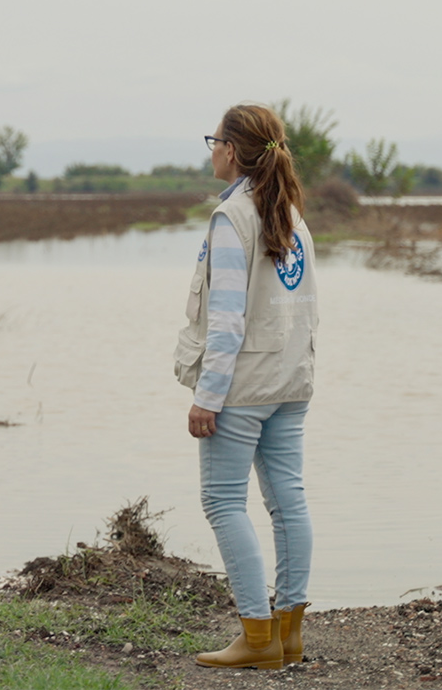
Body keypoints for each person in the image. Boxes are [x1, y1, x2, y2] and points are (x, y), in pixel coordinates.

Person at [173, 103, 318, 670]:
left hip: (244, 387)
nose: (210, 150)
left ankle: (258, 639)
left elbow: (227, 318)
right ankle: (289, 634)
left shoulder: (233, 218)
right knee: (288, 500)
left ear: (232, 151)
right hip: (290, 381)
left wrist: (207, 397)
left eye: (214, 141)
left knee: (222, 500)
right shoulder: (292, 213)